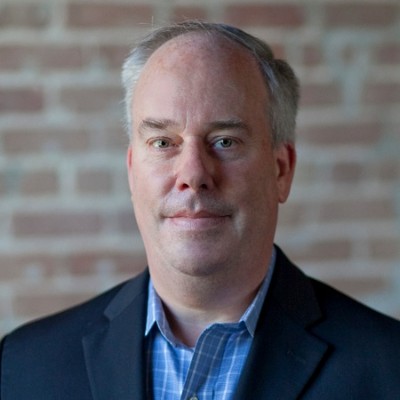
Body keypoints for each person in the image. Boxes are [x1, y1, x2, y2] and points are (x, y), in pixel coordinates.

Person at [1, 21, 399, 400]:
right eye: (163, 142)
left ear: (281, 170)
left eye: (225, 141)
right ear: (132, 171)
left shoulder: (389, 368)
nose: (193, 174)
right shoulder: (23, 367)